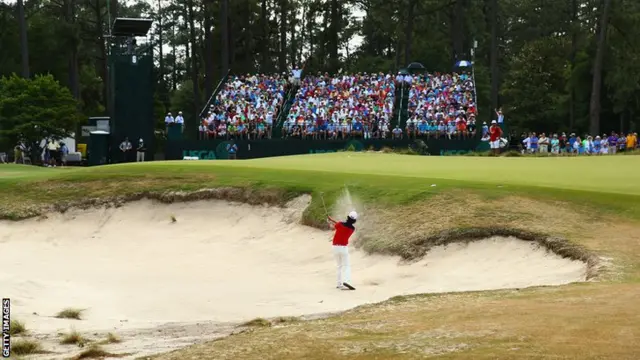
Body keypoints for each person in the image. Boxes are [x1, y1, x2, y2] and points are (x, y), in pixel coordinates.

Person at [327, 211, 358, 290]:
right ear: (354, 221)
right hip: (343, 248)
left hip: (335, 247)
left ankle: (339, 283)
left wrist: (330, 221)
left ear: (347, 217)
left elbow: (335, 226)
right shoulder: (352, 229)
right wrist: (332, 220)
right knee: (346, 266)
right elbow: (343, 225)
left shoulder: (340, 224)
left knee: (339, 266)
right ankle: (347, 281)